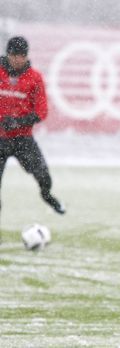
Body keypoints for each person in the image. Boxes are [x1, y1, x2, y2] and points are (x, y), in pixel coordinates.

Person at [0, 36, 65, 225]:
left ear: (26, 56)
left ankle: (47, 196)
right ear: (8, 54)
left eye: (21, 56)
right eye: (14, 55)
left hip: (22, 140)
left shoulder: (35, 78)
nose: (18, 59)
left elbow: (41, 111)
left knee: (43, 174)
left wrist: (18, 122)